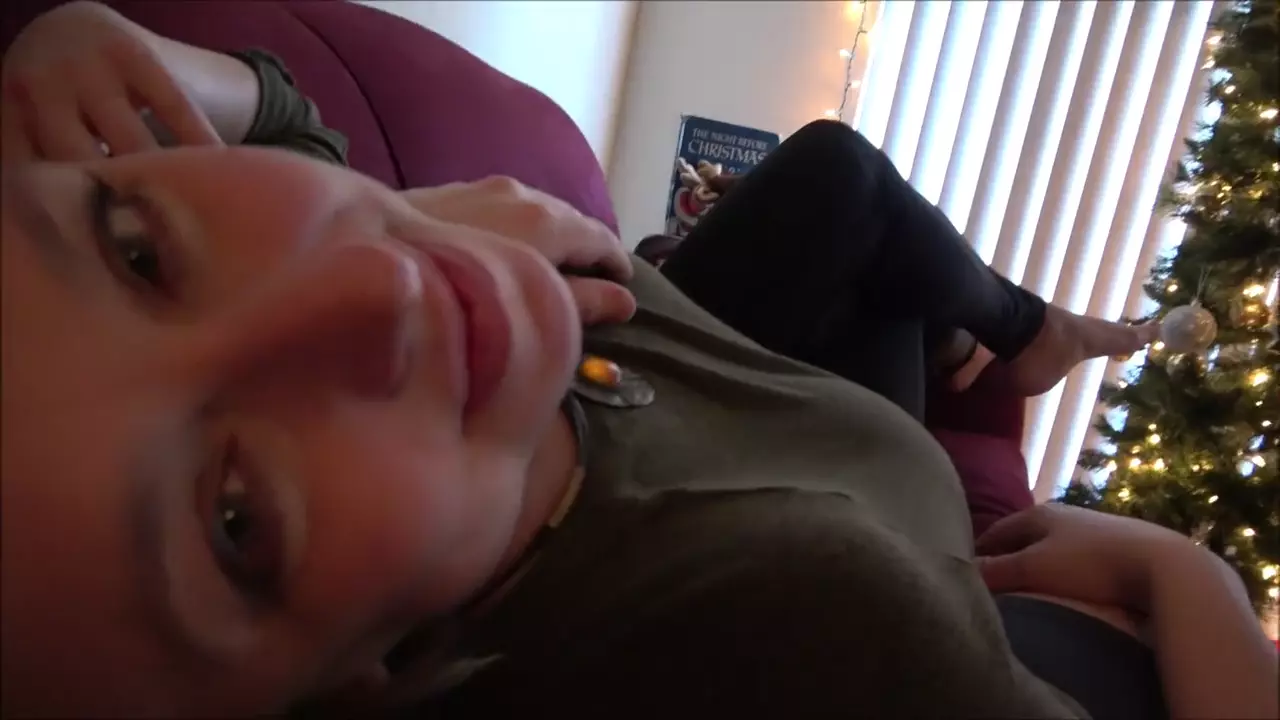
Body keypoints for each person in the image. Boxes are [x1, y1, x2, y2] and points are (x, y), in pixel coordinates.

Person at [2, 3, 1276, 718]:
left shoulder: (500, 304)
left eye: (135, 251)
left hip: (869, 482)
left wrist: (89, 48)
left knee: (836, 182)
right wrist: (1186, 575)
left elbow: (282, 123)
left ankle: (1021, 327)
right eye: (236, 516)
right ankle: (1027, 331)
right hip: (1012, 608)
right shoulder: (802, 620)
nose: (377, 285)